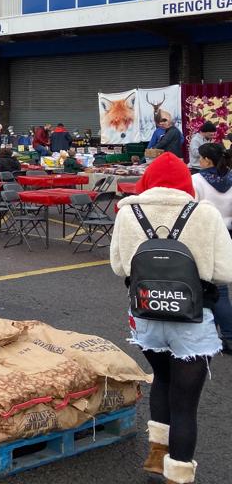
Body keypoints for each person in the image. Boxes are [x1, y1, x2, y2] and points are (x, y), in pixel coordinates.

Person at [111, 153, 232, 483]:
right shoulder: (203, 214)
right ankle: (177, 474)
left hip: (147, 316)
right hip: (192, 321)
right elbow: (224, 271)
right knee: (185, 404)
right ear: (185, 181)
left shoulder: (128, 212)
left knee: (161, 381)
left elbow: (120, 267)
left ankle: (156, 458)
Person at [192, 142, 232, 354]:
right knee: (221, 285)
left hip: (206, 236)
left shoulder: (197, 180)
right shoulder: (231, 178)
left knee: (211, 289)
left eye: (200, 157)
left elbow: (191, 209)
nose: (199, 161)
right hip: (228, 234)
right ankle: (226, 335)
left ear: (207, 160)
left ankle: (223, 333)